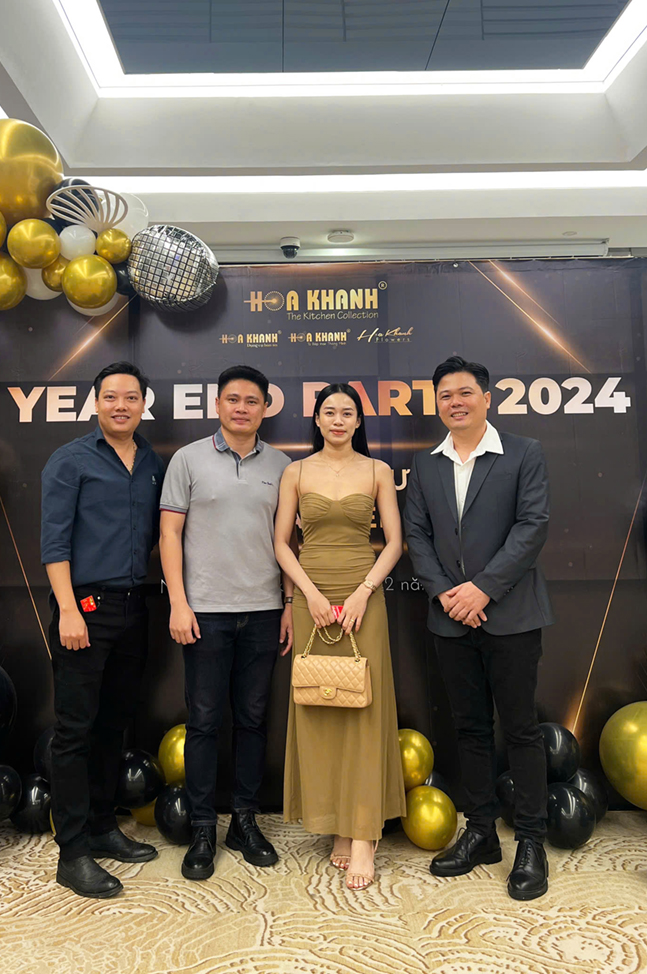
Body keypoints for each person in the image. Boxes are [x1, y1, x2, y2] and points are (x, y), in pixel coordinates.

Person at [404, 355, 553, 901]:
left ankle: (531, 842)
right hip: (449, 619)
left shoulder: (523, 453)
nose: (455, 402)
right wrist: (447, 593)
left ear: (487, 398)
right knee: (469, 730)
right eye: (445, 395)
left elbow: (532, 526)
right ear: (437, 403)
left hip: (510, 616)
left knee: (520, 730)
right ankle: (482, 832)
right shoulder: (426, 465)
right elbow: (417, 536)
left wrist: (483, 588)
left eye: (465, 392)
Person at [159, 365, 293, 881]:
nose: (242, 408)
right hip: (204, 612)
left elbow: (287, 542)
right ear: (218, 405)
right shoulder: (187, 459)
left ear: (265, 409)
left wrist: (286, 603)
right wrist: (178, 602)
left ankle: (244, 820)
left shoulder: (282, 465)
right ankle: (202, 828)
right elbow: (170, 535)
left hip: (263, 610)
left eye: (252, 401)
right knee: (204, 721)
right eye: (233, 400)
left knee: (254, 719)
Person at [40, 361, 165, 900]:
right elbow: (54, 542)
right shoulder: (70, 460)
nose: (121, 405)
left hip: (135, 608)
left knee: (114, 725)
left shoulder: (152, 461)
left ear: (143, 404)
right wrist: (69, 610)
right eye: (111, 397)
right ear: (95, 403)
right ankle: (72, 853)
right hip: (84, 610)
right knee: (75, 731)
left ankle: (101, 826)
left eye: (131, 397)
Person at [275, 383, 406, 892]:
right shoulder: (295, 472)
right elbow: (281, 543)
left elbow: (394, 542)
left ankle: (364, 834)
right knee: (321, 708)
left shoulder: (377, 471)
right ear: (317, 419)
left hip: (362, 598)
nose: (337, 419)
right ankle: (336, 822)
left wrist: (363, 592)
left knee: (364, 711)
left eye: (346, 412)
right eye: (328, 411)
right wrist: (306, 594)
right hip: (311, 597)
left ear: (358, 421)